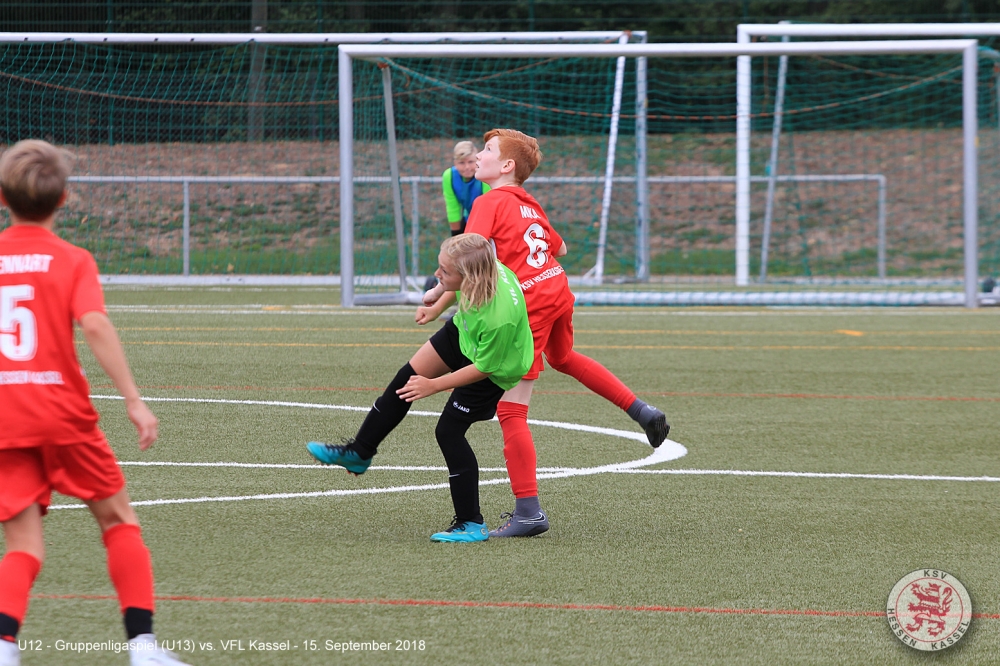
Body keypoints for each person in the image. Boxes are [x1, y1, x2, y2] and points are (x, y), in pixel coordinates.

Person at [422, 128, 670, 539]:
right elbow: (561, 247)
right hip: (557, 289)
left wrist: (436, 294)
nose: (478, 154)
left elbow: (470, 258)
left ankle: (529, 512)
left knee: (511, 410)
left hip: (533, 304)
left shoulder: (488, 201)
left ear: (506, 165)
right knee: (565, 357)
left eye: (487, 149)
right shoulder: (527, 201)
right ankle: (642, 411)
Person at [0, 140, 189, 666]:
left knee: (23, 545)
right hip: (63, 416)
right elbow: (96, 324)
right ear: (64, 198)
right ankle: (143, 648)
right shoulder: (73, 259)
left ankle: (4, 647)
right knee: (118, 520)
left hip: (7, 419)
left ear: (2, 198)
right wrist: (133, 400)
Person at [306, 234, 533, 543]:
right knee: (406, 379)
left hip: (495, 369)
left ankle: (471, 522)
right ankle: (359, 452)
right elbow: (458, 287)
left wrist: (433, 385)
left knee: (449, 432)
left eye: (444, 271)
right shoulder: (484, 270)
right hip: (466, 333)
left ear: (469, 276)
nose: (437, 274)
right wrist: (437, 307)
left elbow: (485, 367)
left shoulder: (499, 317)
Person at [424, 142, 491, 291]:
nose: (467, 167)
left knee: (481, 256)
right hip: (468, 218)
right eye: (461, 163)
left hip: (488, 219)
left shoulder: (484, 175)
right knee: (460, 256)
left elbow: (488, 208)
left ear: (477, 161)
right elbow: (453, 209)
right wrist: (456, 242)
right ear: (455, 162)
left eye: (471, 162)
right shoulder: (449, 176)